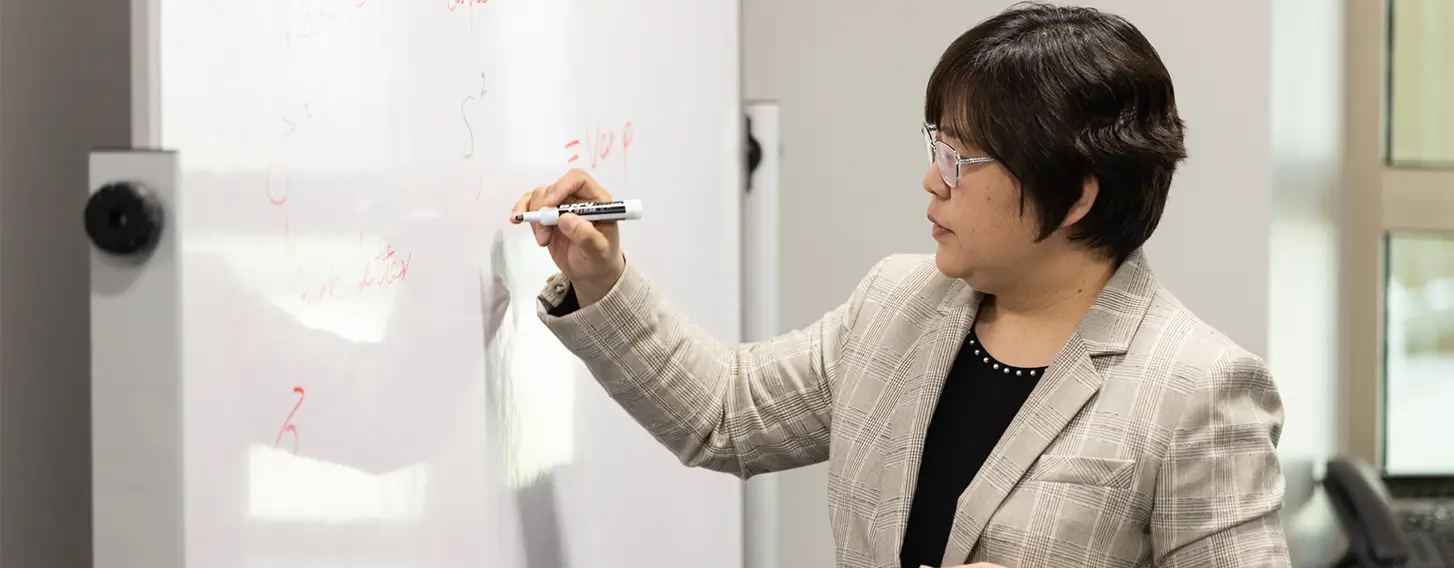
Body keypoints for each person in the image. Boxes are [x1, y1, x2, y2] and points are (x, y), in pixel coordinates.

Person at [509, 3, 1289, 567]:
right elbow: (724, 414)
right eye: (935, 145)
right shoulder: (898, 304)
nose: (931, 179)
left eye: (961, 159)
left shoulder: (1198, 389)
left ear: (1076, 195)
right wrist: (601, 277)